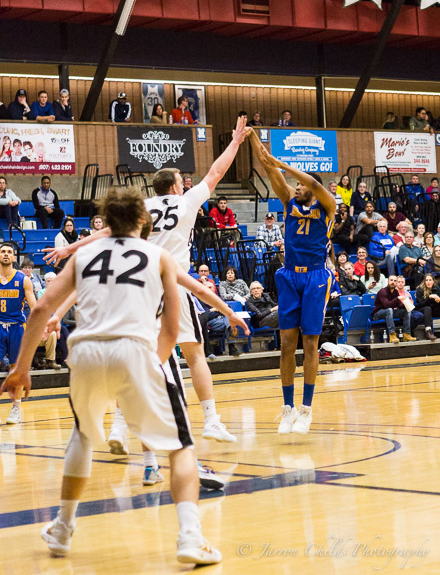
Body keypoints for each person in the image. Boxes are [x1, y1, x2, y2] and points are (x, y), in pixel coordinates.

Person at [0, 187, 222, 566]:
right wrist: (151, 367)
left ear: (107, 218)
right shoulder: (159, 255)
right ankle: (191, 537)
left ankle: (62, 528)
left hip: (85, 352)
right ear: (142, 219)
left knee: (83, 435)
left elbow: (41, 310)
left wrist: (21, 368)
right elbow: (170, 330)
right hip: (134, 347)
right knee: (181, 446)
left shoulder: (84, 254)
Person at [44, 116, 249, 448]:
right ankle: (211, 421)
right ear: (176, 187)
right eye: (182, 181)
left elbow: (107, 232)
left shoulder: (142, 207)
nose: (185, 185)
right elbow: (216, 172)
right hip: (173, 283)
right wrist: (236, 142)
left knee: (135, 356)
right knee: (194, 353)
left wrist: (69, 247)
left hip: (140, 286)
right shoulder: (186, 201)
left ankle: (119, 427)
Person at [247, 128, 336, 436]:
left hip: (315, 277)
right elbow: (268, 166)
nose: (296, 187)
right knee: (286, 344)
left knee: (310, 343)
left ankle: (307, 409)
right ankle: (288, 408)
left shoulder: (327, 206)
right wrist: (253, 137)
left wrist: (284, 164)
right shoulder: (289, 202)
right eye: (295, 184)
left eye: (300, 184)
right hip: (289, 276)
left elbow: (313, 183)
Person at [0, 242, 36, 423]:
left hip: (17, 327)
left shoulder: (23, 279)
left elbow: (34, 308)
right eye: (3, 252)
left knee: (16, 369)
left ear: (14, 257)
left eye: (9, 252)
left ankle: (16, 408)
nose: (6, 254)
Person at [372, 274, 415, 343]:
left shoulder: (395, 292)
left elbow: (399, 305)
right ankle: (392, 335)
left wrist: (407, 303)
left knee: (406, 310)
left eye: (395, 281)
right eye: (391, 280)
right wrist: (397, 298)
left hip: (389, 313)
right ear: (388, 282)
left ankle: (407, 334)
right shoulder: (382, 291)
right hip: (378, 314)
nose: (393, 282)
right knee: (389, 310)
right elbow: (387, 305)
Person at [415, 274, 440, 341]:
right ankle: (428, 331)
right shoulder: (420, 290)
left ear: (433, 281)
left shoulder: (436, 289)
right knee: (427, 308)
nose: (428, 282)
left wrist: (438, 300)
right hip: (421, 309)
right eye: (426, 280)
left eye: (430, 280)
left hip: (433, 310)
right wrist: (429, 297)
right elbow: (421, 303)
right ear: (424, 282)